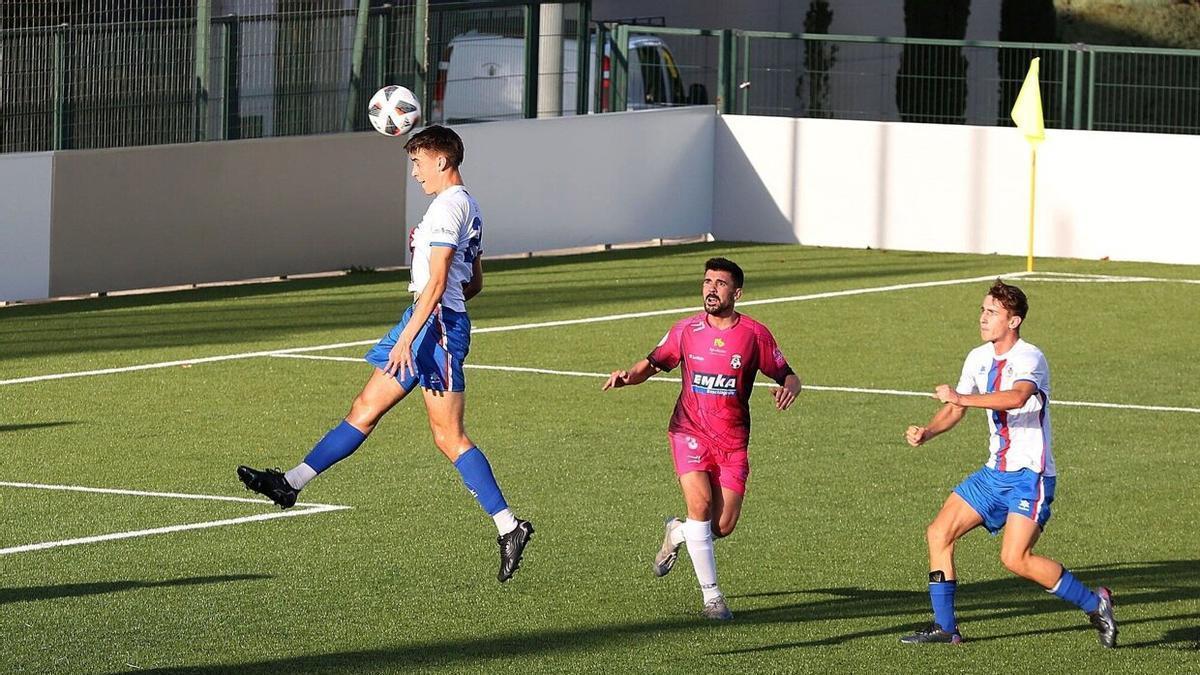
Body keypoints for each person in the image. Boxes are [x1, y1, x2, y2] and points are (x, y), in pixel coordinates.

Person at [237, 125, 534, 583]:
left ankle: (508, 526)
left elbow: (438, 284)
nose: (414, 173)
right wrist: (428, 317)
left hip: (431, 328)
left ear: (441, 159)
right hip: (428, 322)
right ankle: (290, 483)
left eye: (417, 161)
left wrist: (413, 334)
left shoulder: (447, 209)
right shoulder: (468, 206)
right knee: (364, 409)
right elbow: (473, 282)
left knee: (449, 437)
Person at [900, 279, 1116, 646]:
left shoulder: (1030, 357)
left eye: (992, 312)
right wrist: (929, 431)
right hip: (993, 474)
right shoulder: (977, 357)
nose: (983, 318)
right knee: (939, 533)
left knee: (1015, 559)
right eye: (982, 310)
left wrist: (963, 399)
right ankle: (946, 628)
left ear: (1013, 321)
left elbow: (1016, 398)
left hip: (1029, 476)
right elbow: (955, 407)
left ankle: (1095, 604)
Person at [602, 257, 802, 620]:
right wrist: (627, 376)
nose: (711, 288)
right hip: (688, 432)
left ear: (736, 293)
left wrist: (790, 388)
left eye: (720, 283)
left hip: (733, 443)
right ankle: (713, 598)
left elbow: (789, 374)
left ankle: (676, 533)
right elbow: (651, 362)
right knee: (701, 508)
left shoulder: (755, 335)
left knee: (720, 527)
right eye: (707, 281)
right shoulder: (686, 330)